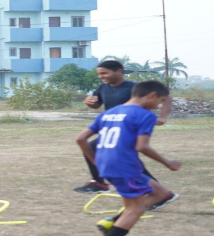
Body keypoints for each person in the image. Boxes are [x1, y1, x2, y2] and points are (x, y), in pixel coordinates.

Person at [76, 81, 182, 236]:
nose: (158, 105)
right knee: (136, 209)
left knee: (160, 193)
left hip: (112, 164)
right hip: (125, 167)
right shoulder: (145, 115)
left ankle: (112, 222)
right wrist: (168, 163)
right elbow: (142, 146)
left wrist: (96, 161)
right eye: (160, 101)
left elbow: (81, 139)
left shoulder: (110, 112)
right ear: (151, 95)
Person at [74, 60, 177, 213]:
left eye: (104, 73)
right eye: (99, 74)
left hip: (131, 128)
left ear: (119, 71)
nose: (101, 77)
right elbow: (96, 104)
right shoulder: (103, 88)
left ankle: (160, 193)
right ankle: (99, 182)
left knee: (126, 159)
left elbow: (166, 97)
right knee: (97, 148)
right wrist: (89, 102)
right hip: (113, 128)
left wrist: (163, 117)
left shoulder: (133, 88)